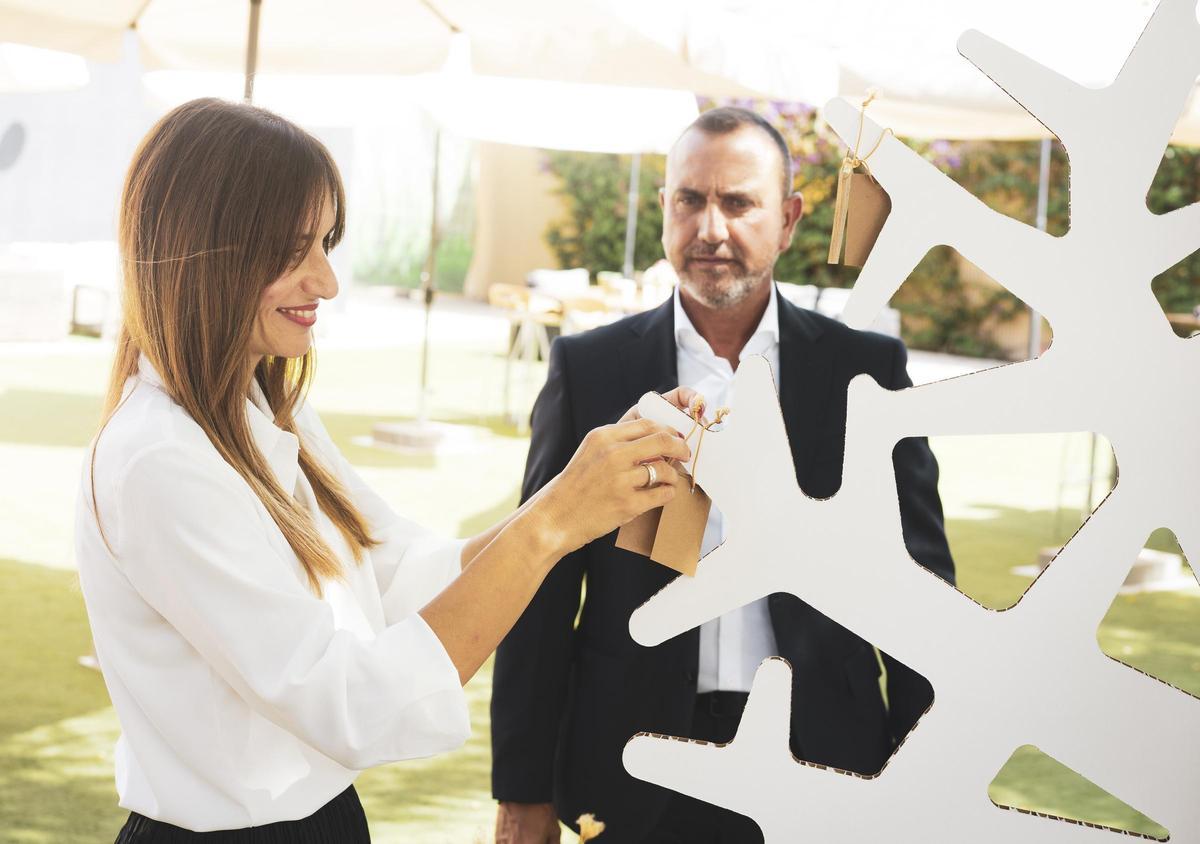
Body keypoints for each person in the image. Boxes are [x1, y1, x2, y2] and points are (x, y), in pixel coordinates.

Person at [75, 97, 698, 842]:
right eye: (293, 248)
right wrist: (556, 518)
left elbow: (405, 571)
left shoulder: (268, 410)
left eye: (327, 244)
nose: (327, 281)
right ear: (206, 251)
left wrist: (584, 497)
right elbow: (350, 705)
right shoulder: (158, 462)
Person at [490, 107, 956, 843]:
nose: (710, 228)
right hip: (634, 762)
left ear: (790, 219)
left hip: (825, 758)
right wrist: (521, 790)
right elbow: (543, 588)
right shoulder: (589, 368)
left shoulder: (864, 373)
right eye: (690, 200)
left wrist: (927, 775)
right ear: (665, 207)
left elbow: (920, 591)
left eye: (738, 202)